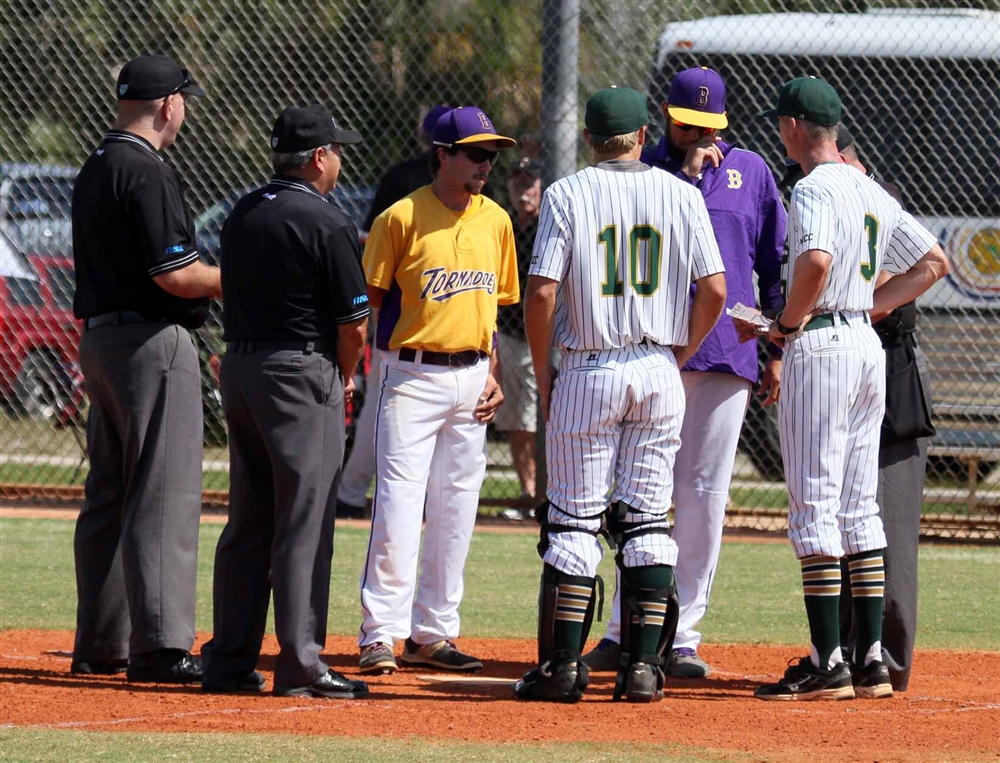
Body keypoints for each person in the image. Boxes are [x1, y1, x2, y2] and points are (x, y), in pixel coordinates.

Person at [514, 86, 727, 704]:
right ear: (641, 136)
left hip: (589, 364)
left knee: (574, 519)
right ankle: (642, 670)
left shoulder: (567, 193)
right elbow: (713, 289)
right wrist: (679, 352)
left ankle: (560, 670)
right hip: (658, 365)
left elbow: (544, 293)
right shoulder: (681, 194)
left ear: (588, 140)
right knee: (648, 520)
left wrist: (544, 367)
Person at [745, 77, 948, 701]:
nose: (779, 131)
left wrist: (783, 328)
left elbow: (815, 263)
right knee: (859, 508)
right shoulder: (867, 186)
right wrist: (872, 305)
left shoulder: (809, 187)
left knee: (814, 505)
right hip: (863, 343)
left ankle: (826, 660)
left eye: (782, 123)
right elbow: (934, 260)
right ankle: (871, 665)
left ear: (795, 128)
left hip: (825, 345)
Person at [583, 66, 786, 679]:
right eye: (686, 121)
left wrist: (773, 346)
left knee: (703, 497)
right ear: (664, 117)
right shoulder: (647, 175)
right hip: (653, 351)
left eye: (708, 124)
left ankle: (684, 635)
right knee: (639, 496)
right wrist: (688, 181)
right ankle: (624, 630)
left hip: (725, 353)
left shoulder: (750, 171)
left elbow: (770, 267)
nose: (697, 131)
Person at [202, 105, 370, 699]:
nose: (340, 159)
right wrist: (343, 376)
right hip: (300, 372)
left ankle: (228, 660)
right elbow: (353, 324)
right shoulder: (326, 220)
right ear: (319, 157)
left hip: (241, 367)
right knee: (303, 521)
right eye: (337, 150)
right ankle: (300, 663)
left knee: (249, 520)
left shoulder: (242, 211)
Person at [70, 54, 218, 683]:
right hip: (152, 344)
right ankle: (158, 647)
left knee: (109, 494)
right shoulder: (147, 169)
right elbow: (178, 277)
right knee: (162, 493)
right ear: (167, 105)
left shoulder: (97, 164)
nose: (183, 107)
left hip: (100, 342)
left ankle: (102, 643)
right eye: (182, 98)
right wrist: (246, 277)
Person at [356, 106, 519, 675]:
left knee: (457, 511)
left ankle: (433, 633)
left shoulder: (496, 220)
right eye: (475, 153)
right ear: (443, 154)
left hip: (473, 377)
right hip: (411, 373)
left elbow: (492, 310)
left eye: (491, 156)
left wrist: (494, 370)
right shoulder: (400, 218)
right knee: (399, 506)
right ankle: (379, 633)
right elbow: (370, 304)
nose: (485, 165)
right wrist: (363, 371)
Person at [823, 127, 933, 694]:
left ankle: (886, 656)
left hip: (889, 378)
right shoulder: (828, 202)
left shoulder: (878, 201)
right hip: (843, 371)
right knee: (839, 520)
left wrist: (850, 307)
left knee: (885, 527)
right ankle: (844, 649)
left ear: (850, 160)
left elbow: (910, 271)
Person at [337, 104, 451, 520]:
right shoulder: (470, 183)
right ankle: (415, 499)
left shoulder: (398, 177)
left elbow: (370, 244)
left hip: (397, 316)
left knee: (382, 410)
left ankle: (351, 492)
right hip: (444, 316)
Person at [496, 155, 543, 519]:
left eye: (529, 183)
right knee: (515, 420)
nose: (522, 190)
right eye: (517, 183)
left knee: (535, 417)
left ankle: (545, 492)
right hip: (510, 333)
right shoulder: (505, 226)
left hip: (542, 339)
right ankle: (529, 493)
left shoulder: (549, 226)